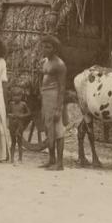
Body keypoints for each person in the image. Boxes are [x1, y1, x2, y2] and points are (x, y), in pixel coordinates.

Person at [39, 35, 67, 171]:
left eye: (48, 47)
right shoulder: (45, 62)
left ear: (54, 49)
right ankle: (51, 159)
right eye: (44, 46)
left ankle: (60, 163)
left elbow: (62, 88)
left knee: (58, 130)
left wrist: (58, 108)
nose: (45, 49)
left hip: (55, 97)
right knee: (48, 127)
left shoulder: (60, 65)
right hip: (46, 98)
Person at [7, 86, 31, 164]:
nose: (16, 98)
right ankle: (12, 158)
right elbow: (8, 113)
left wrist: (22, 116)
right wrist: (11, 115)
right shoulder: (11, 104)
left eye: (18, 96)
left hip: (20, 125)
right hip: (12, 125)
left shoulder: (23, 104)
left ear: (21, 96)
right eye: (14, 96)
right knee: (13, 141)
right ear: (12, 96)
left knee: (20, 142)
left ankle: (20, 159)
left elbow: (29, 113)